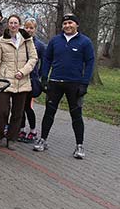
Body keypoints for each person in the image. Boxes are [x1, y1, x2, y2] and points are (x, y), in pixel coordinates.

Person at [33, 14, 94, 159]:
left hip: (75, 84)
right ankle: (43, 140)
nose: (67, 26)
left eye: (70, 23)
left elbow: (90, 62)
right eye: (65, 23)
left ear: (76, 25)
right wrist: (44, 78)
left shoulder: (85, 42)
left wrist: (84, 84)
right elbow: (47, 59)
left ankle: (79, 146)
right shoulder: (55, 40)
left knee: (76, 115)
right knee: (49, 112)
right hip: (55, 82)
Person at [0, 15, 37, 150]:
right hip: (4, 80)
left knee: (18, 112)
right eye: (11, 23)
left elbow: (33, 58)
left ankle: (12, 138)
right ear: (8, 25)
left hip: (22, 80)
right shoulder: (1, 41)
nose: (13, 25)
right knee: (1, 110)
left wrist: (23, 71)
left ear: (19, 25)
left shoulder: (27, 40)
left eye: (16, 23)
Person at [19, 17, 46, 142]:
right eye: (26, 27)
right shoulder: (19, 41)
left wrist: (39, 75)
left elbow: (44, 61)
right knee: (19, 106)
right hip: (19, 77)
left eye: (31, 28)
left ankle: (33, 130)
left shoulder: (39, 45)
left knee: (27, 106)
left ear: (35, 29)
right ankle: (21, 129)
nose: (28, 30)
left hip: (31, 79)